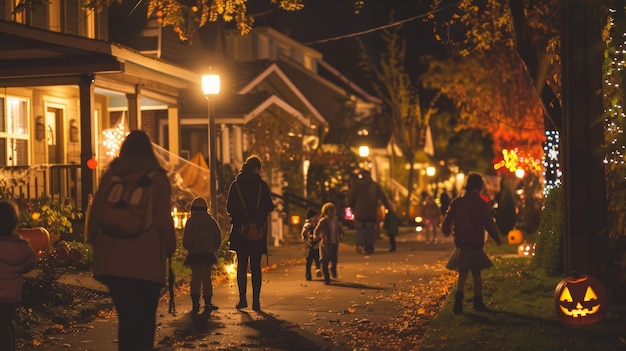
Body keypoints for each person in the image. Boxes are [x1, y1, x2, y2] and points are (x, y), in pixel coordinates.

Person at [87, 130, 177, 351]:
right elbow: (164, 220)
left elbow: (96, 211)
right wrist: (169, 247)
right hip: (145, 262)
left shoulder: (112, 175)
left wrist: (95, 243)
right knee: (144, 321)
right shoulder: (157, 179)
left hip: (112, 261)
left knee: (126, 319)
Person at [441, 172, 502, 315]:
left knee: (462, 273)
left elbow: (447, 219)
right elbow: (488, 223)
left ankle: (458, 300)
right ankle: (478, 301)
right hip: (475, 243)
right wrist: (496, 237)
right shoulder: (480, 203)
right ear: (479, 186)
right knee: (476, 273)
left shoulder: (457, 202)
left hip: (462, 244)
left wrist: (445, 230)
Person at [226, 155, 275, 311]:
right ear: (256, 169)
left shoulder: (236, 185)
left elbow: (229, 208)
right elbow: (270, 206)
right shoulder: (261, 186)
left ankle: (242, 299)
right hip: (257, 230)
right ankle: (256, 301)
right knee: (255, 266)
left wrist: (241, 217)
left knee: (241, 265)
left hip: (240, 230)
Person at [0, 201, 36, 351]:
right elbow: (30, 264)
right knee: (7, 323)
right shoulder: (22, 246)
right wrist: (17, 269)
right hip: (13, 295)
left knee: (2, 328)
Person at [183, 197, 222, 315]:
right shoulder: (211, 221)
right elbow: (218, 237)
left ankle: (195, 302)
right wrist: (213, 248)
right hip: (207, 254)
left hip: (194, 254)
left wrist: (189, 247)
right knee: (206, 278)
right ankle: (208, 302)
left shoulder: (191, 222)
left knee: (195, 278)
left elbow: (187, 240)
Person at [346, 169, 391, 254]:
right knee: (370, 230)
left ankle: (360, 244)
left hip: (359, 212)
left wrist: (349, 206)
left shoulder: (356, 185)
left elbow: (351, 197)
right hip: (371, 213)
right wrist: (387, 206)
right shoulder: (375, 186)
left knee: (360, 229)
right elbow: (382, 197)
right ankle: (369, 247)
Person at [314, 202, 345, 285]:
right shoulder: (323, 221)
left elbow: (339, 228)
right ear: (327, 211)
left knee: (334, 259)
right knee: (325, 260)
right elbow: (317, 229)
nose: (333, 213)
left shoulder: (335, 220)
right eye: (332, 211)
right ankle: (327, 278)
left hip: (335, 242)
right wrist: (315, 236)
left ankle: (333, 269)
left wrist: (342, 234)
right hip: (326, 243)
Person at [301, 208, 322, 281]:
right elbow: (304, 234)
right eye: (315, 217)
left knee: (317, 259)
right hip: (309, 246)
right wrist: (307, 237)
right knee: (309, 261)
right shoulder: (307, 225)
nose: (316, 218)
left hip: (316, 245)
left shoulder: (317, 224)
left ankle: (318, 269)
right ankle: (308, 274)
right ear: (311, 217)